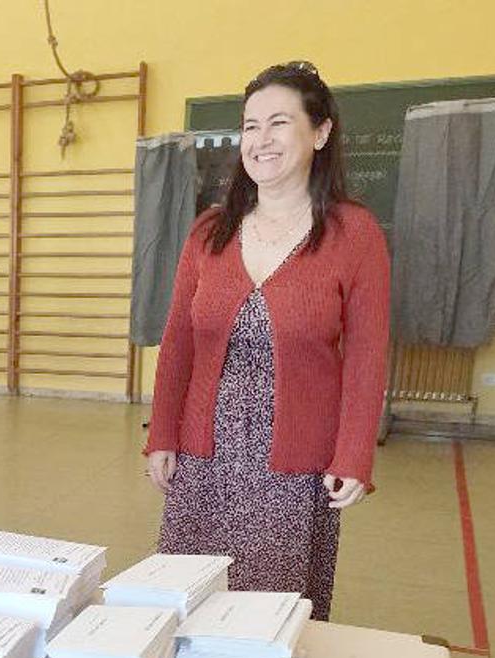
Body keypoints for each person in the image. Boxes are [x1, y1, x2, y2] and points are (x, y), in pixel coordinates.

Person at [145, 62, 390, 621]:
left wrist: (354, 455)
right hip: (204, 455)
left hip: (293, 463)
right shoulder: (210, 231)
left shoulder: (354, 233)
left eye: (279, 123)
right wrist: (162, 435)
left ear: (320, 132)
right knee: (189, 600)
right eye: (250, 126)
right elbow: (178, 341)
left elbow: (368, 356)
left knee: (267, 613)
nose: (261, 140)